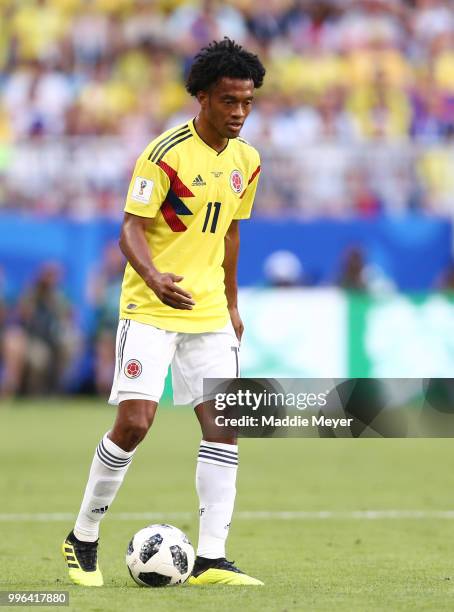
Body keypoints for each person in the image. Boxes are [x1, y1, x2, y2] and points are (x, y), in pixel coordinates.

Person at [62, 38, 265, 587]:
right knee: (135, 423)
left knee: (224, 426)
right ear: (201, 96)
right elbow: (129, 228)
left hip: (209, 316)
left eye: (247, 102)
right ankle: (82, 537)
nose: (239, 113)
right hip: (151, 307)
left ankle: (211, 559)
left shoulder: (248, 161)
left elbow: (230, 234)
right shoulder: (164, 153)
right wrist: (153, 276)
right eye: (229, 101)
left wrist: (233, 303)